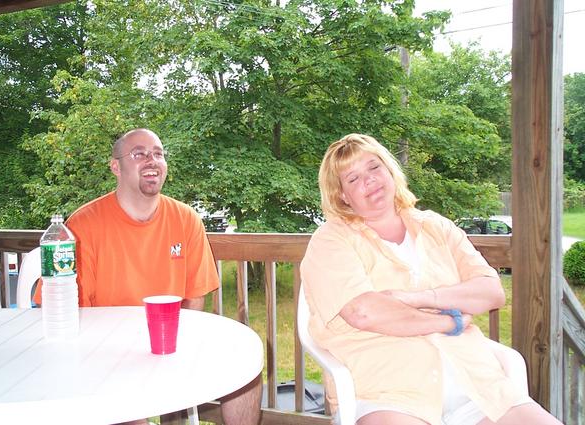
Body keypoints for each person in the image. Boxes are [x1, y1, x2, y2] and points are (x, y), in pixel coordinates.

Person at [300, 133, 562, 425]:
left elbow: (490, 291)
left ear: (389, 170)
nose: (369, 180)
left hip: (478, 388)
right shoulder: (331, 240)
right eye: (353, 178)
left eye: (374, 167)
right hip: (389, 393)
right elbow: (363, 311)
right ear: (342, 195)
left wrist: (416, 298)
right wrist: (450, 322)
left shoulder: (436, 227)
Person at [63, 128, 262, 425]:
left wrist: (180, 348)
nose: (151, 160)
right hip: (108, 353)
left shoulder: (186, 219)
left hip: (170, 344)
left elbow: (195, 295)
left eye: (158, 153)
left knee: (245, 369)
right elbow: (72, 310)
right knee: (125, 413)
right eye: (139, 154)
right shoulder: (83, 226)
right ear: (116, 166)